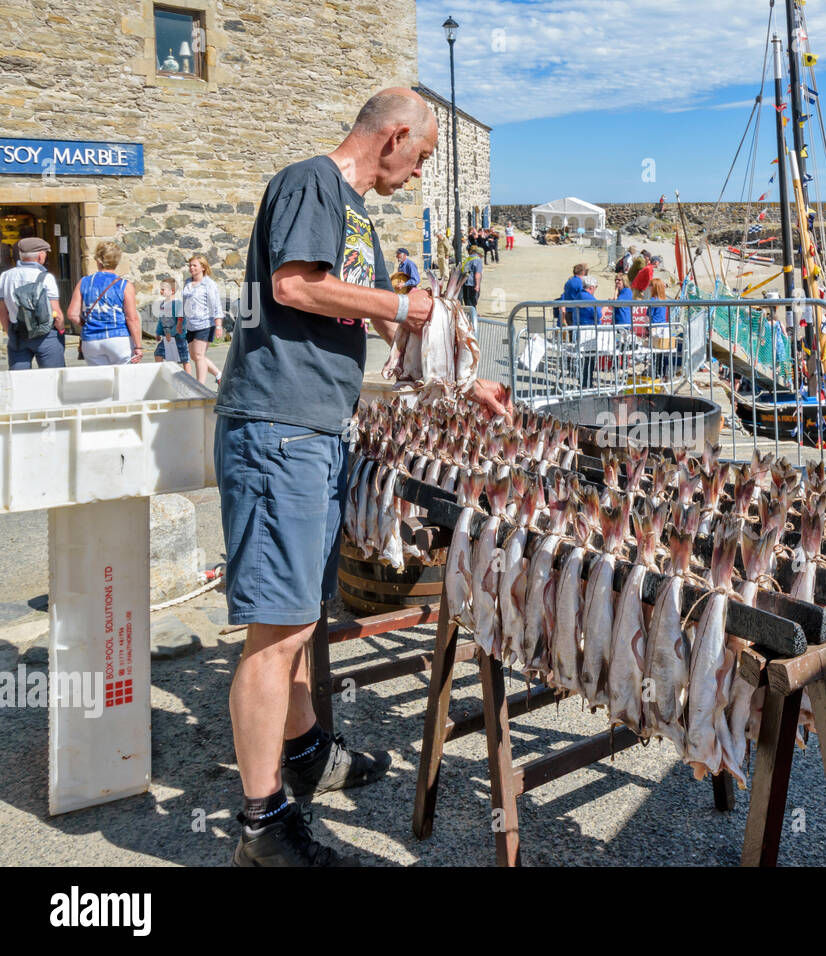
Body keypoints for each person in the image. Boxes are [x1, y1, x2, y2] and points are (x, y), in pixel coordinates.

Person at [215, 87, 509, 867]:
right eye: (422, 156)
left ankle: (306, 751)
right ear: (395, 135)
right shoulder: (310, 182)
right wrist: (403, 306)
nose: (419, 173)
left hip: (316, 432)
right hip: (279, 427)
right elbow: (295, 286)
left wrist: (465, 380)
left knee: (300, 617)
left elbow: (381, 319)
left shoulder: (354, 215)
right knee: (275, 633)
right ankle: (262, 825)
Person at [67, 240, 143, 365]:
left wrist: (86, 323)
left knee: (101, 380)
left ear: (98, 260)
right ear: (117, 260)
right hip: (118, 338)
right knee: (124, 379)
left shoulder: (84, 282)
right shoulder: (125, 285)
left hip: (91, 340)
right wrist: (138, 346)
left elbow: (72, 314)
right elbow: (132, 318)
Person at [0, 236, 66, 369]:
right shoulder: (46, 278)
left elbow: (3, 312)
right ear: (40, 256)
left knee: (19, 379)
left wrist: (10, 331)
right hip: (46, 334)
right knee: (54, 378)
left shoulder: (5, 276)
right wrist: (61, 330)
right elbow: (56, 313)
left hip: (18, 332)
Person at [183, 254, 225, 385]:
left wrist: (218, 326)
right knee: (194, 356)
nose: (191, 267)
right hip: (190, 325)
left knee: (199, 355)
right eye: (190, 265)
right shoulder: (188, 282)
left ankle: (200, 386)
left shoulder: (209, 284)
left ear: (203, 267)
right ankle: (219, 375)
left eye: (194, 265)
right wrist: (181, 322)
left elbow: (216, 305)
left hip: (205, 324)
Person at [152, 276, 190, 371]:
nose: (161, 291)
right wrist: (158, 332)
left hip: (179, 337)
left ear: (172, 291)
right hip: (167, 337)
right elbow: (162, 320)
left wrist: (172, 333)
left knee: (184, 359)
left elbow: (180, 321)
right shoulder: (163, 304)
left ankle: (190, 380)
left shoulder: (177, 304)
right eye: (161, 289)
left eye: (163, 289)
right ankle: (164, 373)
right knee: (158, 354)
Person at [647, 277, 674, 378]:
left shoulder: (653, 300)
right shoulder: (663, 299)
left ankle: (656, 374)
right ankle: (662, 374)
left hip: (655, 327)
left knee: (655, 354)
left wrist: (647, 327)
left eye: (651, 286)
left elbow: (648, 315)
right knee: (662, 354)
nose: (649, 288)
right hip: (664, 328)